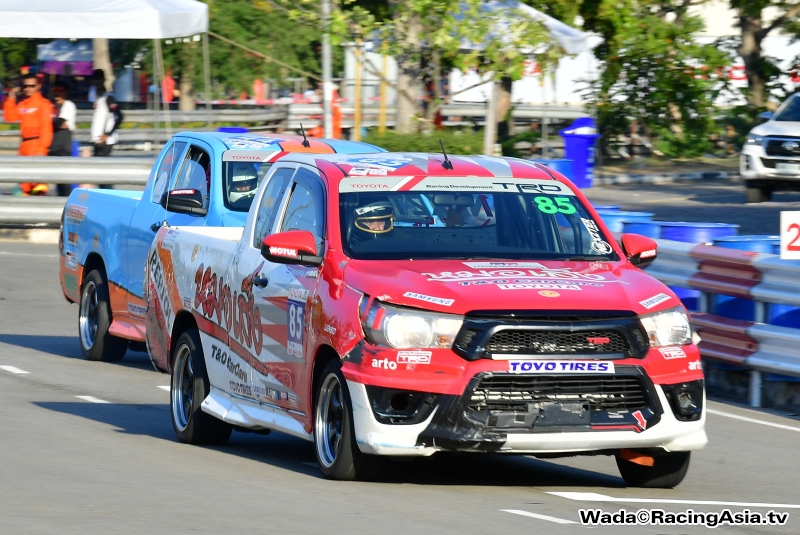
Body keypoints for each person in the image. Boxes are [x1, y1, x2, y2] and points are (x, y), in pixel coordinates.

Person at [2, 72, 53, 196]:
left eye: (32, 86)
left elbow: (47, 128)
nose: (28, 89)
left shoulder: (43, 104)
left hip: (37, 145)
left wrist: (42, 149)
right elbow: (10, 117)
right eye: (26, 86)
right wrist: (11, 98)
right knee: (24, 183)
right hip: (24, 145)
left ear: (38, 86)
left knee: (37, 183)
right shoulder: (23, 103)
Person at [91, 82, 121, 158]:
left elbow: (120, 117)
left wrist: (107, 134)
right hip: (96, 140)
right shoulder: (98, 99)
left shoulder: (109, 98)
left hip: (105, 142)